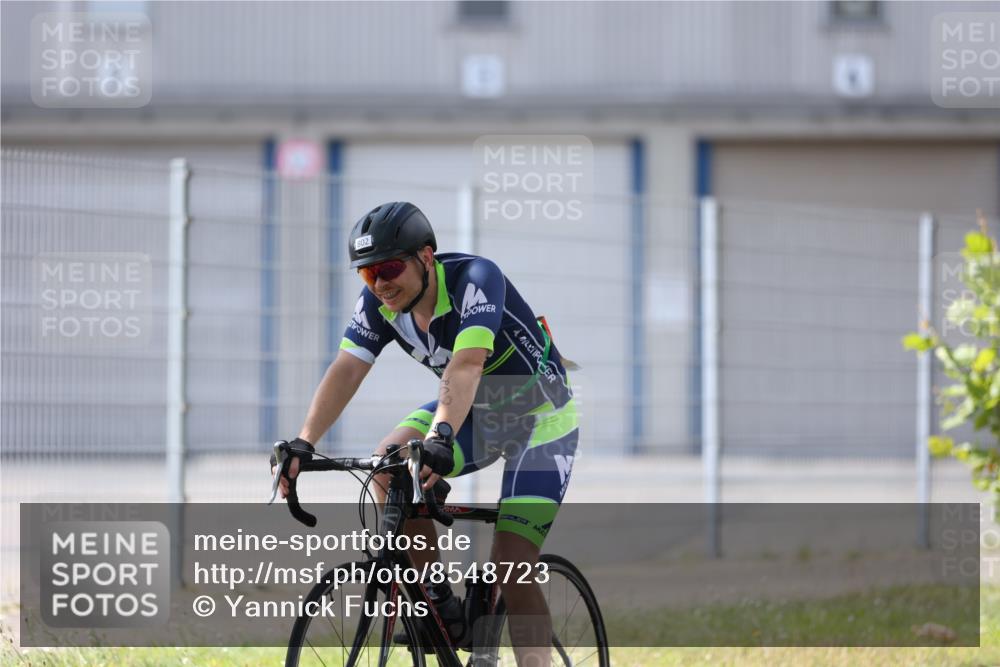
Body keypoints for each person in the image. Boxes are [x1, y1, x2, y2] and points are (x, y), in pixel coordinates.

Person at [273, 201, 578, 667]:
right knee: (390, 462)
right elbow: (347, 369)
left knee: (514, 562)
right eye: (367, 274)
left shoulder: (476, 278)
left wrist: (440, 437)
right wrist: (304, 441)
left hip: (539, 417)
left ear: (426, 257)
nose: (381, 283)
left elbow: (467, 363)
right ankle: (438, 602)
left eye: (390, 267)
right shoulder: (380, 303)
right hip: (474, 409)